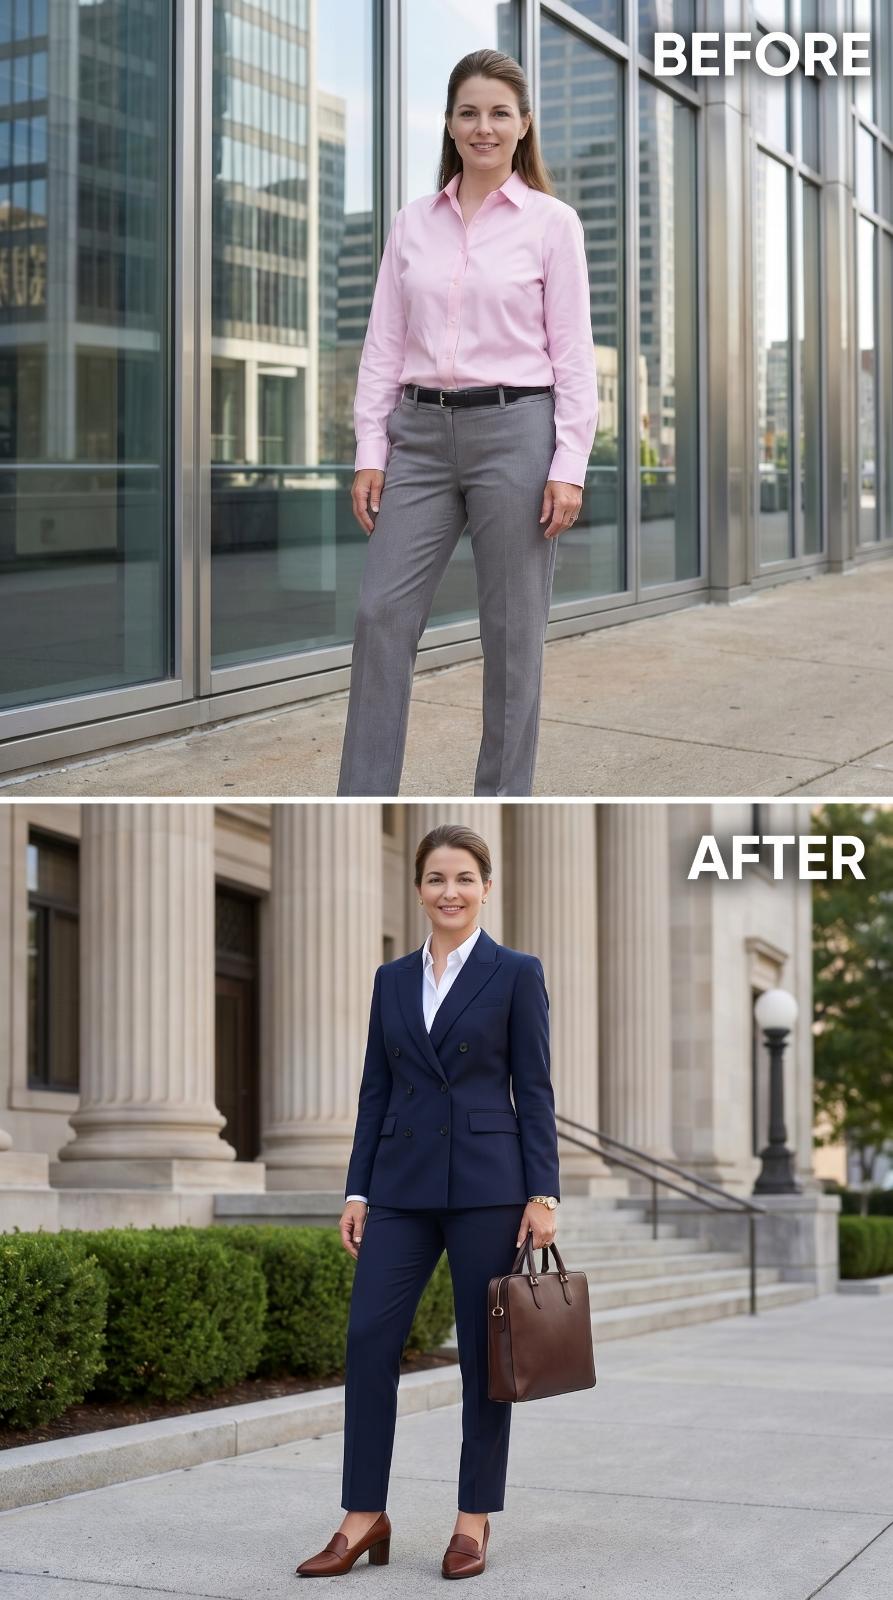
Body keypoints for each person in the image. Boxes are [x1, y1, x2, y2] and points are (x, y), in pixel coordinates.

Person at [295, 823, 561, 1579]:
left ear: (486, 888)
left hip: (488, 1185)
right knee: (367, 1339)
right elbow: (375, 1091)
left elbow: (533, 1090)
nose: (450, 891)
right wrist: (357, 1186)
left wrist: (543, 1191)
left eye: (464, 878)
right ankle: (363, 1514)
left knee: (484, 1358)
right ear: (418, 889)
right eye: (437, 878)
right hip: (403, 1187)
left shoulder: (515, 972)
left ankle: (472, 1519)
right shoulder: (389, 980)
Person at [337, 47, 599, 798]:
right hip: (417, 434)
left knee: (512, 639)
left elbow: (572, 353)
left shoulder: (552, 224)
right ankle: (362, 795)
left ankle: (500, 800)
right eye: (467, 112)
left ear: (522, 127)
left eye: (498, 113)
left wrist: (568, 463)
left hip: (516, 432)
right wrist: (370, 448)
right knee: (379, 614)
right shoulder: (411, 223)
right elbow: (383, 344)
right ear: (450, 126)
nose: (482, 127)